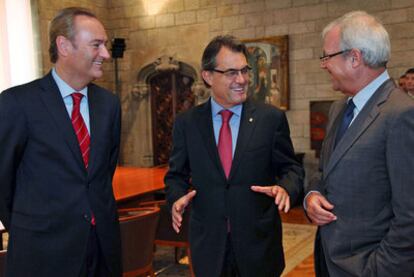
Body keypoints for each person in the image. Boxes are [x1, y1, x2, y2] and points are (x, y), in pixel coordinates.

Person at [165, 35, 304, 277]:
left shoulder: (270, 119)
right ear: (208, 76)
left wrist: (286, 188)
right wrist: (176, 198)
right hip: (209, 247)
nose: (241, 80)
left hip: (258, 246)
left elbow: (291, 168)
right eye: (231, 73)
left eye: (244, 71)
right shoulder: (187, 124)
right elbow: (175, 176)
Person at [0, 7, 122, 276]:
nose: (106, 54)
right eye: (97, 45)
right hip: (43, 254)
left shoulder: (109, 105)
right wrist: (31, 226)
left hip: (101, 248)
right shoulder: (17, 103)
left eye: (105, 45)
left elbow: (102, 175)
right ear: (64, 45)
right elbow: (3, 181)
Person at [305, 11, 414, 277]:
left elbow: (410, 215)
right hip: (329, 261)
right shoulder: (339, 108)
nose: (323, 65)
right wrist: (312, 196)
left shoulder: (401, 114)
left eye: (327, 56)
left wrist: (380, 270)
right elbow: (326, 173)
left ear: (354, 58)